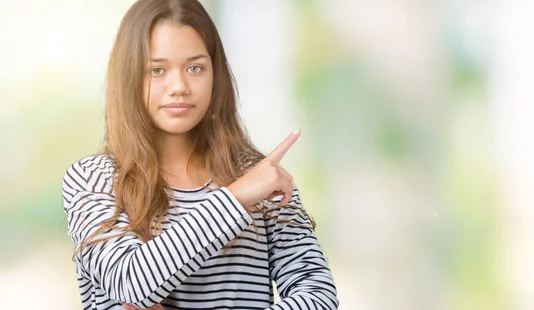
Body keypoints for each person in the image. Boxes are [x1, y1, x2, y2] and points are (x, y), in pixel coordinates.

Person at [61, 0, 338, 309]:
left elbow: (319, 297)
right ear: (128, 77)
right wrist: (236, 198)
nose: (178, 86)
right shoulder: (93, 178)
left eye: (195, 68)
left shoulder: (261, 179)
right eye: (157, 70)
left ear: (215, 75)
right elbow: (129, 283)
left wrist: (247, 188)